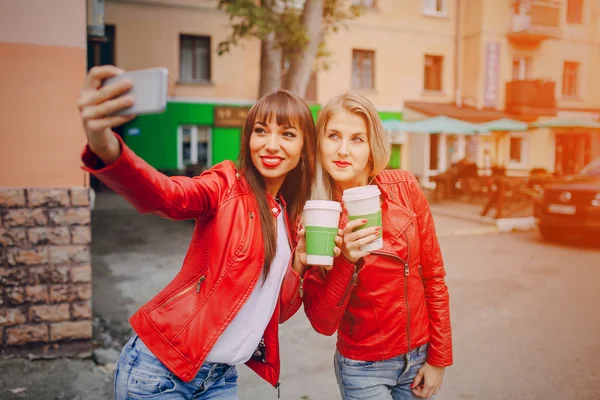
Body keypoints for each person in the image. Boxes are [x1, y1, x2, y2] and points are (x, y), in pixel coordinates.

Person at [77, 65, 316, 399]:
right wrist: (104, 144)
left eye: (287, 134)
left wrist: (300, 265)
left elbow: (273, 312)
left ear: (305, 149)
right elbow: (168, 194)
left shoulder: (287, 216)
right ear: (248, 138)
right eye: (261, 131)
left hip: (219, 379)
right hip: (160, 372)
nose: (271, 144)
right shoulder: (225, 185)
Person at [297, 92, 453, 399]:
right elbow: (322, 322)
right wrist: (345, 261)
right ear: (319, 143)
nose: (343, 150)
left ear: (371, 149)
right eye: (333, 136)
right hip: (363, 368)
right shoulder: (316, 215)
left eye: (357, 139)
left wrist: (439, 358)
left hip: (419, 357)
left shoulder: (405, 187)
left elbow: (433, 277)